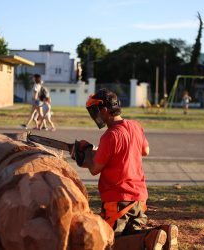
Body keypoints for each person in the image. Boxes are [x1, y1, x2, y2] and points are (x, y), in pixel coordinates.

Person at [71, 88, 178, 250]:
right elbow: (145, 151)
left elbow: (94, 169)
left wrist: (84, 155)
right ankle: (163, 233)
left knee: (109, 241)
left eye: (96, 111)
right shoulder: (135, 126)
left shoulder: (110, 136)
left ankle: (148, 240)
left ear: (105, 110)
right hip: (139, 197)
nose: (96, 116)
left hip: (117, 199)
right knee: (131, 231)